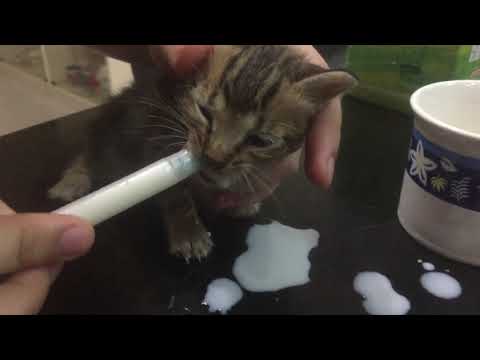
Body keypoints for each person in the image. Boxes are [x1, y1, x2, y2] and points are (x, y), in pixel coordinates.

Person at [0, 45, 342, 314]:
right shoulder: (194, 78)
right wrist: (182, 220)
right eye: (207, 112)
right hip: (126, 137)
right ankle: (84, 162)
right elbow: (156, 145)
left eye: (259, 139)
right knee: (115, 144)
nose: (216, 152)